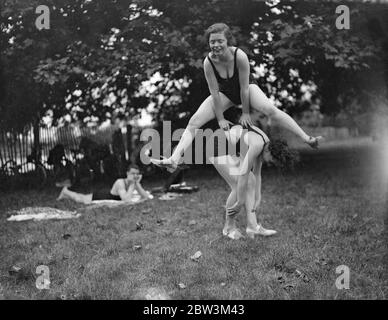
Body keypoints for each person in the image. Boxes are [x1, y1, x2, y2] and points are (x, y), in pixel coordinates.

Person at [151, 23, 321, 172]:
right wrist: (220, 119)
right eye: (212, 42)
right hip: (226, 93)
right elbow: (214, 93)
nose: (216, 45)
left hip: (246, 88)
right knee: (194, 121)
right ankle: (173, 159)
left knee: (270, 110)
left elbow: (245, 88)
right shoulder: (208, 63)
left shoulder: (239, 56)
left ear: (227, 41)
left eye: (220, 41)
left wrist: (246, 113)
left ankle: (307, 138)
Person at [209, 110, 298, 239]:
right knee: (238, 184)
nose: (269, 163)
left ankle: (253, 227)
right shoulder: (257, 145)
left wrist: (258, 197)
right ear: (269, 152)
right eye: (271, 160)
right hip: (217, 146)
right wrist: (240, 201)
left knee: (250, 181)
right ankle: (228, 227)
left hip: (229, 148)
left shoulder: (265, 144)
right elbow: (244, 174)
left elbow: (256, 174)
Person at [56, 164, 152, 204]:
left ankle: (64, 194)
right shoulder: (120, 182)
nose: (135, 176)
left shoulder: (134, 182)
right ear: (127, 173)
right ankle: (65, 191)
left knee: (81, 197)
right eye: (132, 173)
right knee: (80, 199)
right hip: (102, 196)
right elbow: (126, 200)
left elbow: (145, 197)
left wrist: (137, 184)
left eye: (136, 174)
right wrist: (132, 185)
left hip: (108, 194)